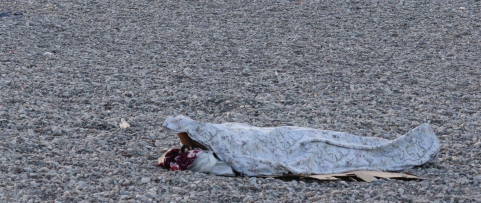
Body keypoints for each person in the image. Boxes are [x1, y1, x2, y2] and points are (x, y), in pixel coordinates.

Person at [160, 115, 439, 177]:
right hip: (281, 142)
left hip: (281, 136)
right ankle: (399, 147)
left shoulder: (221, 133)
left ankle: (398, 146)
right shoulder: (213, 145)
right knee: (331, 146)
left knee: (329, 140)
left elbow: (251, 135)